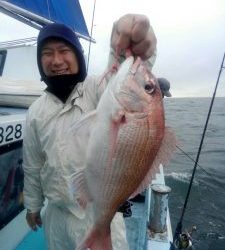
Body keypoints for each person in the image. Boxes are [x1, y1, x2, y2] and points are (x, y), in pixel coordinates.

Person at [23, 14, 157, 250]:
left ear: (77, 55)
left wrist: (131, 42)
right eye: (47, 53)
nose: (56, 60)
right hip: (57, 217)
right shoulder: (35, 112)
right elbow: (33, 165)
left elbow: (127, 76)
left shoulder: (99, 90)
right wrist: (33, 206)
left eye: (64, 50)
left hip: (100, 210)